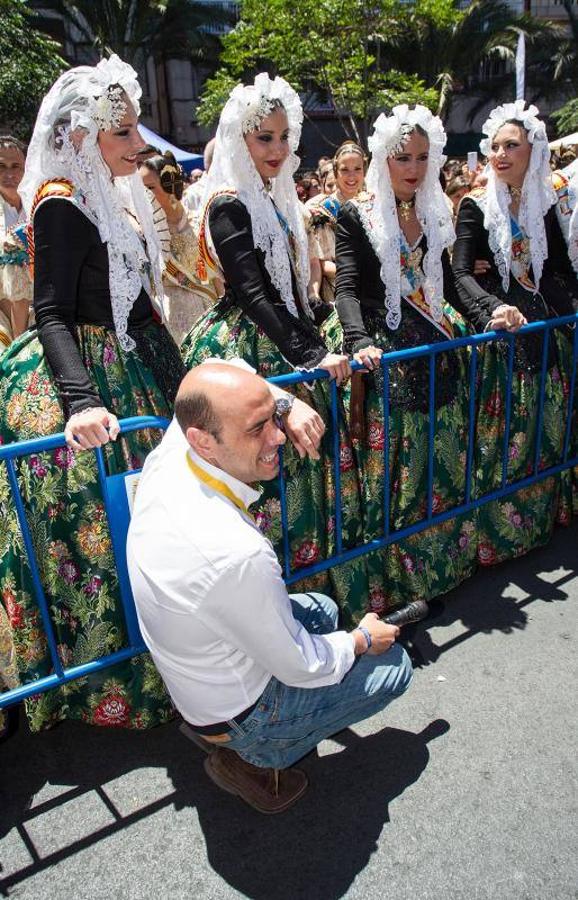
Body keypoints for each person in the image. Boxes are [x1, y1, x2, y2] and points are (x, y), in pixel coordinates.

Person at [127, 362, 412, 814]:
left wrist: (288, 403)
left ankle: (249, 732)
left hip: (198, 674)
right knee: (395, 665)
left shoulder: (174, 449)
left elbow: (236, 370)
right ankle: (255, 756)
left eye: (273, 419)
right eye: (258, 428)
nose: (279, 436)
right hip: (240, 713)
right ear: (204, 439)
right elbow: (301, 665)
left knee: (318, 607)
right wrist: (362, 641)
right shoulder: (233, 552)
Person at [0, 55, 188, 732]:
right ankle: (102, 671)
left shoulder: (116, 198)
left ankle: (171, 655)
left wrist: (185, 389)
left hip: (130, 366)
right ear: (81, 137)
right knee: (93, 525)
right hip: (78, 375)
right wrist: (81, 402)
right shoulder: (57, 202)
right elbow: (49, 313)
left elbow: (139, 311)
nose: (139, 148)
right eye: (124, 135)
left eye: (136, 133)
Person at [180, 73, 371, 623]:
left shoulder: (276, 196)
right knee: (265, 482)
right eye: (265, 138)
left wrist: (318, 329)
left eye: (285, 137)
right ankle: (266, 618)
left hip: (285, 337)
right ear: (241, 140)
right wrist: (307, 354)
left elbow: (291, 287)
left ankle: (316, 602)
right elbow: (253, 292)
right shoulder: (227, 203)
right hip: (249, 346)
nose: (279, 149)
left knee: (309, 475)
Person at [332, 105, 499, 611]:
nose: (414, 168)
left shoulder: (432, 212)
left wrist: (490, 311)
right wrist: (360, 342)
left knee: (440, 451)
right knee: (394, 465)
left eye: (423, 157)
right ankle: (395, 579)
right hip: (383, 354)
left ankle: (438, 562)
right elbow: (345, 288)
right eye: (403, 157)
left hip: (432, 346)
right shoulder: (354, 214)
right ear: (382, 160)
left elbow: (450, 281)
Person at [453, 100, 578, 564]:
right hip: (501, 338)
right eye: (495, 146)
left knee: (547, 427)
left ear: (534, 152)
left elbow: (559, 270)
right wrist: (493, 306)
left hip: (545, 332)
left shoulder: (545, 205)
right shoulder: (474, 205)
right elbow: (461, 273)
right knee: (503, 436)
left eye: (512, 146)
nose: (501, 154)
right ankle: (498, 531)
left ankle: (540, 515)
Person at [140, 152, 218, 345]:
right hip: (165, 323)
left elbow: (216, 278)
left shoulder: (200, 222)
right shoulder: (143, 232)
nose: (143, 195)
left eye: (149, 188)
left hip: (206, 316)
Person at [306, 141, 366, 306]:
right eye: (345, 170)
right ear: (335, 172)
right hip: (336, 293)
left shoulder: (373, 204)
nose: (351, 176)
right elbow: (319, 262)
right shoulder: (321, 209)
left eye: (357, 169)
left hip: (371, 292)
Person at [0, 136, 33, 346]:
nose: (9, 174)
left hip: (41, 314)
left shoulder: (42, 207)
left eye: (16, 166)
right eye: (1, 166)